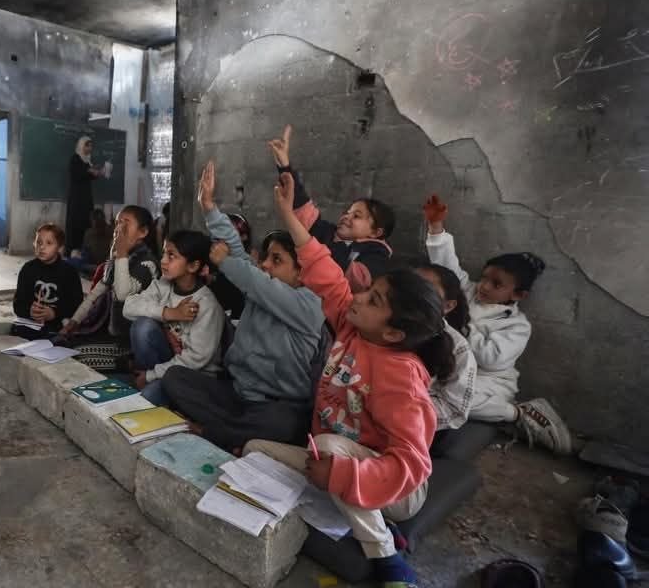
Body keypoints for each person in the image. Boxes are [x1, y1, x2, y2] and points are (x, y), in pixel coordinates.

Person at [246, 166, 455, 588]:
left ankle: (387, 556)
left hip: (397, 488)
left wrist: (341, 475)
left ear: (394, 332)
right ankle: (353, 505)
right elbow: (324, 271)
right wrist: (288, 215)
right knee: (253, 449)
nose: (358, 296)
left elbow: (411, 464)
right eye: (367, 290)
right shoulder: (352, 325)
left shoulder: (400, 374)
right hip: (337, 461)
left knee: (326, 449)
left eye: (373, 299)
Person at [162, 161, 325, 453]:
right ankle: (237, 437)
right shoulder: (259, 285)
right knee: (175, 379)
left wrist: (225, 262)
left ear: (302, 273)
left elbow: (251, 276)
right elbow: (237, 251)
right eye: (265, 258)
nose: (264, 265)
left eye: (276, 261)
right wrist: (209, 207)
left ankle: (217, 432)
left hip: (276, 405)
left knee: (286, 424)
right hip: (236, 394)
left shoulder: (309, 304)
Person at [424, 194, 572, 454]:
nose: (483, 286)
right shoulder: (467, 292)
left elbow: (492, 360)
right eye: (484, 278)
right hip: (453, 367)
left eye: (496, 284)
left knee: (459, 397)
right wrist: (436, 228)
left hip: (488, 381)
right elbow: (445, 266)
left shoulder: (517, 326)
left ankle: (517, 413)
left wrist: (458, 327)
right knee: (429, 387)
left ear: (518, 296)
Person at [268, 125, 394, 291]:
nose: (346, 217)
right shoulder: (327, 232)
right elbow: (302, 205)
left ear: (375, 233)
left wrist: (321, 248)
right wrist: (285, 166)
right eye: (347, 212)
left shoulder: (376, 255)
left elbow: (357, 282)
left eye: (356, 216)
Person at [123, 229, 224, 405]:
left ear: (193, 266)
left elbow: (195, 360)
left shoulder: (206, 304)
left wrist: (150, 375)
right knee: (142, 326)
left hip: (193, 377)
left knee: (145, 400)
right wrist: (170, 313)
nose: (163, 261)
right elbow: (129, 307)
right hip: (166, 365)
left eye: (172, 256)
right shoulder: (162, 285)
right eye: (164, 253)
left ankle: (149, 383)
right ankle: (149, 382)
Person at [60, 205, 159, 370]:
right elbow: (94, 296)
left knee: (77, 357)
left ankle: (130, 365)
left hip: (132, 342)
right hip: (114, 335)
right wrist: (73, 322)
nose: (118, 228)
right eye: (117, 223)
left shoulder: (146, 263)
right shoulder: (116, 261)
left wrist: (121, 254)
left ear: (143, 232)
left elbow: (122, 294)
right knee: (66, 346)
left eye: (126, 223)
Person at [414, 262, 477, 434]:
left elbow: (454, 409)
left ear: (448, 306)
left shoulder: (458, 349)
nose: (410, 294)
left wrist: (400, 409)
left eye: (425, 290)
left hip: (413, 426)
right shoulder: (381, 321)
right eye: (408, 284)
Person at [11, 223, 83, 339]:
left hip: (57, 327)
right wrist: (30, 311)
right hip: (31, 325)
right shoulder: (28, 269)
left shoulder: (69, 272)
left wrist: (54, 313)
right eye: (39, 242)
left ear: (60, 248)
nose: (42, 247)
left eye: (49, 243)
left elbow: (76, 306)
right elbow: (18, 304)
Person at [205, 211, 251, 320]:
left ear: (243, 237)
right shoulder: (207, 261)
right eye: (217, 238)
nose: (220, 242)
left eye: (229, 236)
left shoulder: (246, 267)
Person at [65, 136, 103, 257]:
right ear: (81, 146)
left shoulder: (87, 160)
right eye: (87, 145)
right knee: (75, 222)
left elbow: (90, 176)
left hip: (86, 197)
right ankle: (72, 249)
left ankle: (82, 249)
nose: (89, 148)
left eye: (91, 146)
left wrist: (98, 173)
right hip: (76, 197)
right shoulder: (75, 159)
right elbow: (77, 174)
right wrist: (89, 171)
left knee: (86, 221)